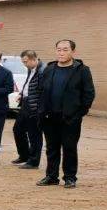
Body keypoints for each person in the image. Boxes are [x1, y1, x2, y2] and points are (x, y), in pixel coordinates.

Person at [36, 39, 96, 189]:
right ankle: (51, 176)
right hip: (50, 117)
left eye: (65, 50)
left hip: (70, 118)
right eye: (59, 49)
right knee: (51, 148)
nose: (61, 53)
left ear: (73, 52)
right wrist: (41, 110)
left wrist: (79, 113)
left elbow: (89, 94)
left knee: (69, 148)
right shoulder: (49, 69)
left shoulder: (82, 70)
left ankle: (70, 177)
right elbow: (40, 90)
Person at [12, 49, 44, 169]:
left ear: (34, 59)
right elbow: (28, 83)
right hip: (25, 103)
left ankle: (33, 161)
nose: (24, 64)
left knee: (34, 134)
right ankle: (24, 155)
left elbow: (43, 91)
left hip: (34, 106)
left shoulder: (42, 71)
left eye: (26, 62)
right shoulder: (31, 69)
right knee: (17, 129)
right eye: (23, 62)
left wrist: (39, 108)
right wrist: (21, 93)